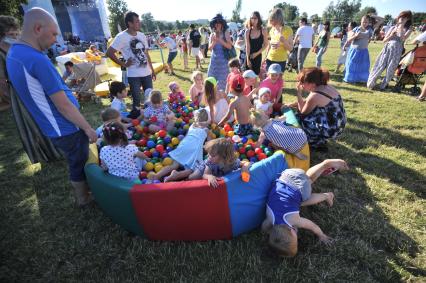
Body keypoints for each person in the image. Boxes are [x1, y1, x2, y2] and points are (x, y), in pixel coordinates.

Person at [6, 8, 97, 207]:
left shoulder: (15, 53)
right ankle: (84, 199)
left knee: (76, 159)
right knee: (78, 161)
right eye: (54, 34)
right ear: (38, 28)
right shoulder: (36, 59)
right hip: (65, 127)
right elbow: (63, 106)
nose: (56, 40)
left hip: (53, 126)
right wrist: (87, 128)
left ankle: (84, 194)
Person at [262, 159, 349, 257]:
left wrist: (322, 235)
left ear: (292, 230)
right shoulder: (269, 219)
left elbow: (312, 226)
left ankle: (325, 168)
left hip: (299, 184)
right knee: (298, 202)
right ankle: (323, 186)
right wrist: (267, 233)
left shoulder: (294, 220)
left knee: (309, 181)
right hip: (284, 177)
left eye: (296, 237)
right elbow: (264, 228)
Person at [107, 11, 156, 111]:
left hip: (146, 73)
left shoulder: (142, 35)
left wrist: (152, 70)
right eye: (137, 21)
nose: (139, 23)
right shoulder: (121, 37)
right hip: (134, 75)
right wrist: (124, 64)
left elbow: (146, 54)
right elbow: (109, 53)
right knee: (137, 101)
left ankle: (149, 118)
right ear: (130, 23)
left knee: (150, 98)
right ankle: (136, 121)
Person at [288, 67, 346, 151]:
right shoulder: (325, 87)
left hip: (332, 129)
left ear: (312, 83)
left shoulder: (315, 96)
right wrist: (292, 104)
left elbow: (303, 112)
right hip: (339, 123)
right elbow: (308, 102)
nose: (301, 84)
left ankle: (314, 141)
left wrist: (299, 93)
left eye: (303, 82)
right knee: (310, 112)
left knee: (299, 118)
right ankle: (317, 138)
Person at [149, 109, 210, 182]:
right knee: (192, 169)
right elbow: (210, 142)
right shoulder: (206, 130)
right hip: (194, 149)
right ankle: (176, 175)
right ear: (207, 120)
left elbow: (186, 136)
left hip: (183, 145)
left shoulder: (192, 125)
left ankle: (157, 175)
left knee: (174, 165)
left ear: (195, 119)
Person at [367, 11, 413, 90]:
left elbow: (403, 38)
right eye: (401, 17)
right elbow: (384, 40)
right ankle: (371, 83)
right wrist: (391, 35)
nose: (402, 18)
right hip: (387, 48)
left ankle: (383, 85)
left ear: (408, 19)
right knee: (380, 65)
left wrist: (401, 26)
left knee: (391, 68)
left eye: (405, 17)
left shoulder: (409, 29)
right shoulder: (392, 27)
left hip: (397, 50)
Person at [343, 15, 373, 83]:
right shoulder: (356, 29)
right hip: (354, 50)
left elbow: (381, 20)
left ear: (368, 22)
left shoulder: (369, 30)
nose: (364, 23)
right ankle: (351, 79)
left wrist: (371, 15)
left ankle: (361, 79)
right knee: (352, 66)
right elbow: (349, 39)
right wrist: (355, 36)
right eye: (363, 22)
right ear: (361, 21)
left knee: (362, 67)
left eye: (366, 22)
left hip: (364, 51)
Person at [207, 14, 233, 91]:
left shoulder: (226, 33)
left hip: (224, 64)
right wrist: (214, 42)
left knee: (222, 85)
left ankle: (221, 100)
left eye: (219, 22)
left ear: (222, 24)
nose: (218, 24)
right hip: (214, 63)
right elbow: (209, 49)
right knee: (210, 83)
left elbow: (230, 46)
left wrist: (221, 41)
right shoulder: (212, 34)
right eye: (216, 23)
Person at [0, 15, 20, 111]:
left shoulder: (13, 51)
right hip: (13, 105)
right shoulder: (1, 55)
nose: (15, 37)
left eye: (17, 34)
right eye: (11, 34)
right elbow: (3, 82)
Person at [264, 8, 293, 72]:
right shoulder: (272, 30)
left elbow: (291, 49)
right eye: (270, 20)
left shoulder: (288, 30)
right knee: (268, 79)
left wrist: (284, 41)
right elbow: (269, 45)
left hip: (280, 61)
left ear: (279, 19)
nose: (271, 22)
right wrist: (265, 57)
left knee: (278, 81)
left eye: (273, 20)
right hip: (269, 59)